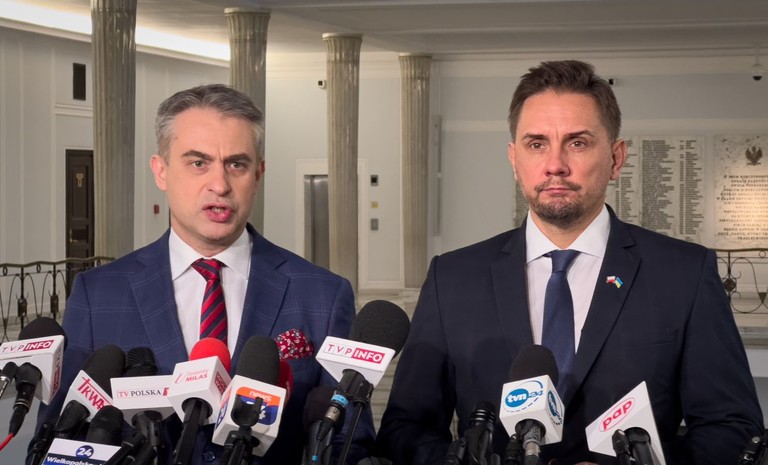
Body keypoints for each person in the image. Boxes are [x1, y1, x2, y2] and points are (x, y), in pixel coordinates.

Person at [377, 60, 764, 464]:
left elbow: (733, 428)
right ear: (514, 159)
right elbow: (406, 430)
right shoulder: (453, 278)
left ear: (616, 158)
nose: (555, 164)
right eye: (536, 144)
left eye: (577, 143)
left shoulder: (683, 274)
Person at [32, 84, 374, 464]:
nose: (220, 185)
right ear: (161, 171)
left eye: (237, 164)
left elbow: (351, 443)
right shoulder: (98, 295)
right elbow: (58, 441)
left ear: (258, 174)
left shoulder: (323, 295)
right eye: (198, 163)